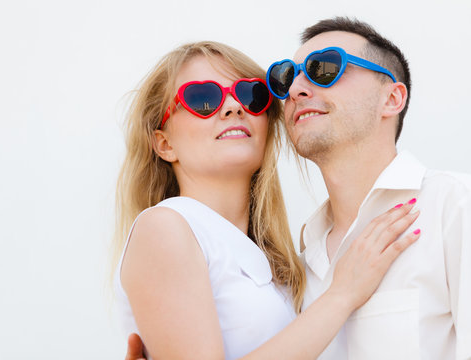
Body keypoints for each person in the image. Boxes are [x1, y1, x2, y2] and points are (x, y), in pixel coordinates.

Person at [113, 40, 420, 360]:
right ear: (164, 144)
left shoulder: (282, 262)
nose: (233, 107)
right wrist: (341, 295)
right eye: (203, 98)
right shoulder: (164, 227)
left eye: (251, 95)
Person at [268, 17, 470, 359]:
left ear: (391, 98)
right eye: (286, 76)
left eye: (324, 68)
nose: (295, 89)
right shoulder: (298, 264)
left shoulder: (453, 205)